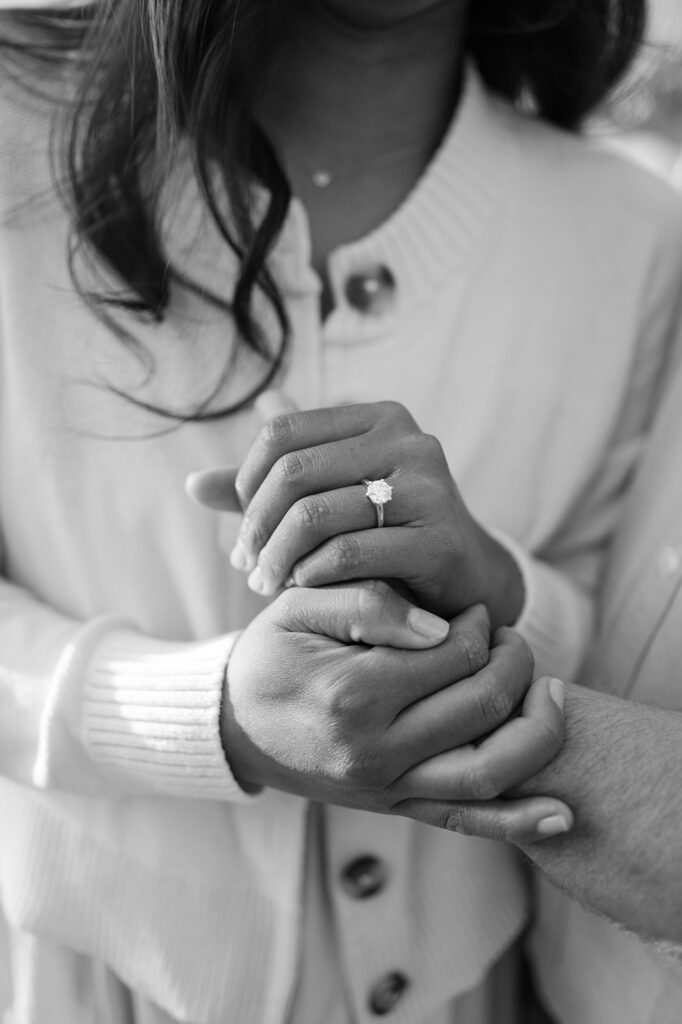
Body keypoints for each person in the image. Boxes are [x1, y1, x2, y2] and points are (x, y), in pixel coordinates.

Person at [0, 1, 681, 1022]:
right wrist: (211, 715)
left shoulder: (627, 233)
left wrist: (496, 592)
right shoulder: (16, 136)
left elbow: (615, 645)